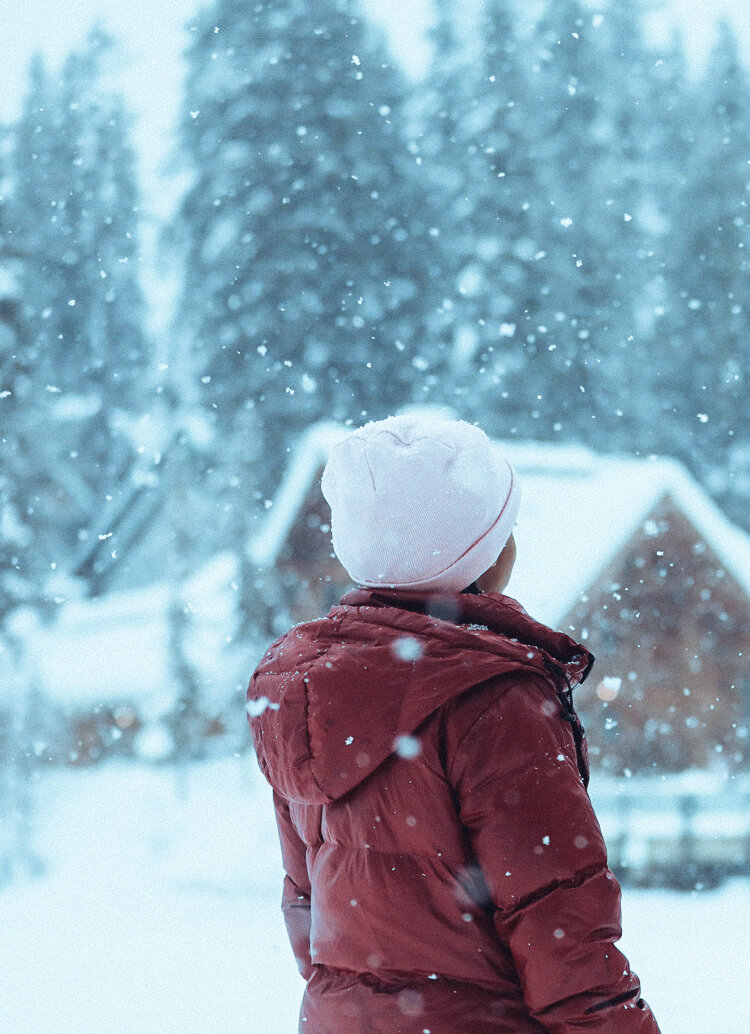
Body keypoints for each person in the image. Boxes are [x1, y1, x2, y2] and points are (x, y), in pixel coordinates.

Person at [247, 414, 660, 1033]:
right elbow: (559, 925)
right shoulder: (493, 700)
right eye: (506, 528)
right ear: (487, 555)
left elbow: (307, 910)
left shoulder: (307, 691)